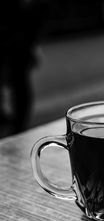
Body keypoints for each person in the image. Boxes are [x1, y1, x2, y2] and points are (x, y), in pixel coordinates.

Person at [0, 0, 48, 137]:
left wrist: (32, 41)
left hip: (18, 29)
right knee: (17, 78)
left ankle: (19, 126)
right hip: (13, 26)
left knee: (18, 79)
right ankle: (13, 122)